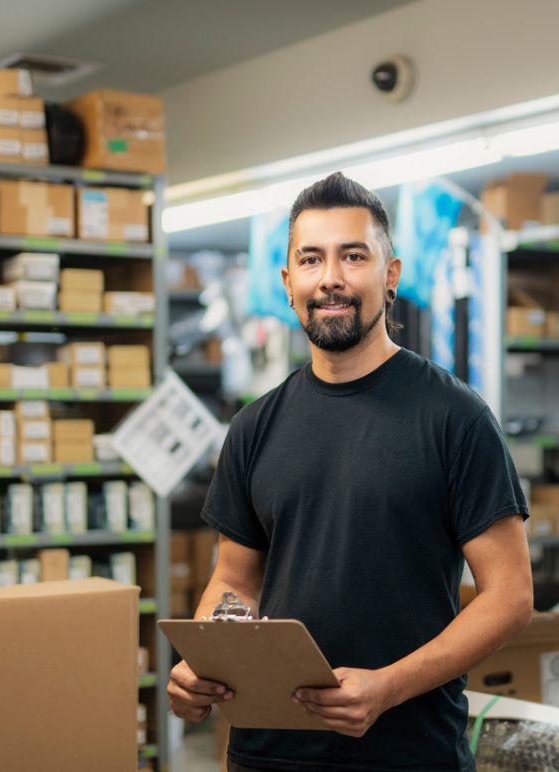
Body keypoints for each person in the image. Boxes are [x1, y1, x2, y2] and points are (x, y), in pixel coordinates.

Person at [167, 172, 533, 771]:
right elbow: (236, 581)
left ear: (390, 276)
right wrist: (210, 658)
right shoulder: (254, 427)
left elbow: (511, 596)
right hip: (268, 755)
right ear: (288, 284)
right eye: (310, 259)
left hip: (407, 753)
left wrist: (387, 686)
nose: (330, 278)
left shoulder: (454, 417)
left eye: (353, 256)